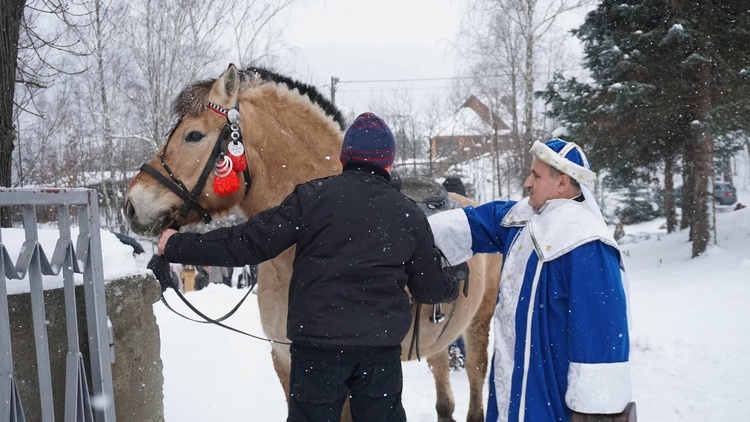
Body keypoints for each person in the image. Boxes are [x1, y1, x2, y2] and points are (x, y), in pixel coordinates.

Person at [157, 112, 459, 422]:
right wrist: (453, 281)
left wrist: (177, 245)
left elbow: (248, 242)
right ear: (388, 163)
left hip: (317, 352)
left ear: (345, 158)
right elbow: (429, 287)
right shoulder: (407, 214)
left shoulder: (312, 198)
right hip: (378, 354)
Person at [428, 139, 633, 422]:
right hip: (511, 389)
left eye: (536, 176)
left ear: (562, 183)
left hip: (549, 396)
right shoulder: (522, 217)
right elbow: (471, 224)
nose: (527, 182)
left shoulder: (588, 246)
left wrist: (596, 415)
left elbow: (601, 342)